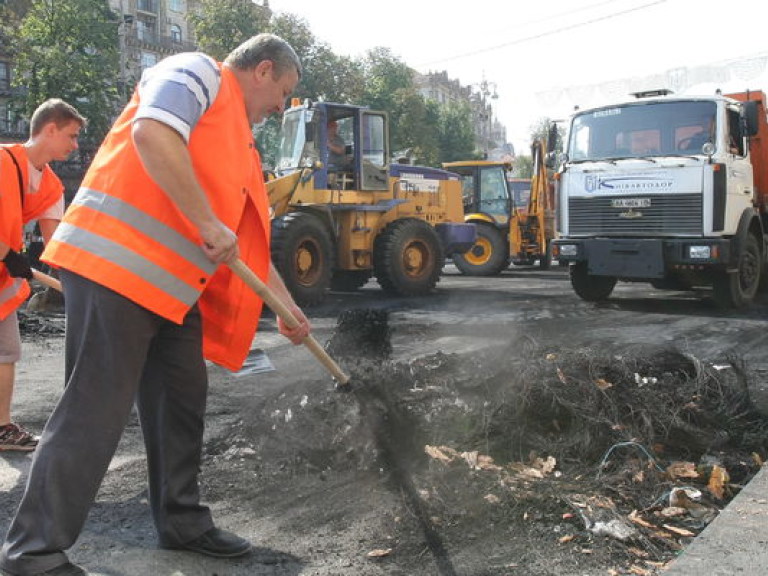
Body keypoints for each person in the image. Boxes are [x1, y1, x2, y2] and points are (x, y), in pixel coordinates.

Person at [0, 33, 309, 576]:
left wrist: (286, 307)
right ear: (262, 70)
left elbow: (246, 241)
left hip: (172, 290)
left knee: (181, 402)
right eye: (282, 92)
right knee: (93, 410)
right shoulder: (195, 72)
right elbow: (153, 132)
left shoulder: (241, 143)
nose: (280, 107)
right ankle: (34, 552)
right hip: (115, 268)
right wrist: (205, 222)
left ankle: (182, 520)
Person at [0, 98, 86, 453]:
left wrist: (81, 284)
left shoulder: (51, 186)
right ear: (50, 129)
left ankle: (2, 429)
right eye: (72, 135)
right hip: (6, 265)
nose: (76, 144)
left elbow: (58, 244)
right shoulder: (2, 161)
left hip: (4, 279)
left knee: (7, 351)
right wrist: (7, 253)